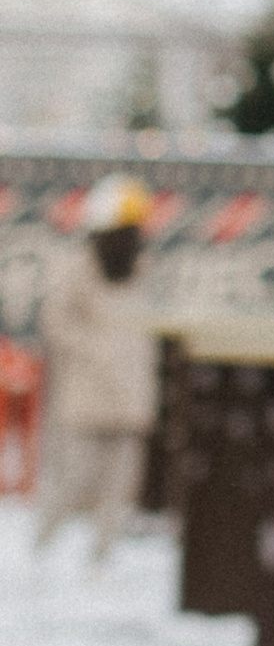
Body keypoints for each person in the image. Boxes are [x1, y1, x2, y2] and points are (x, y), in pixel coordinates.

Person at [36, 175, 161, 561]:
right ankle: (39, 554)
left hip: (129, 400)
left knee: (119, 488)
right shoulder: (78, 271)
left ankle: (101, 562)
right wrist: (97, 351)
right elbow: (55, 322)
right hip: (87, 400)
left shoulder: (140, 273)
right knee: (74, 483)